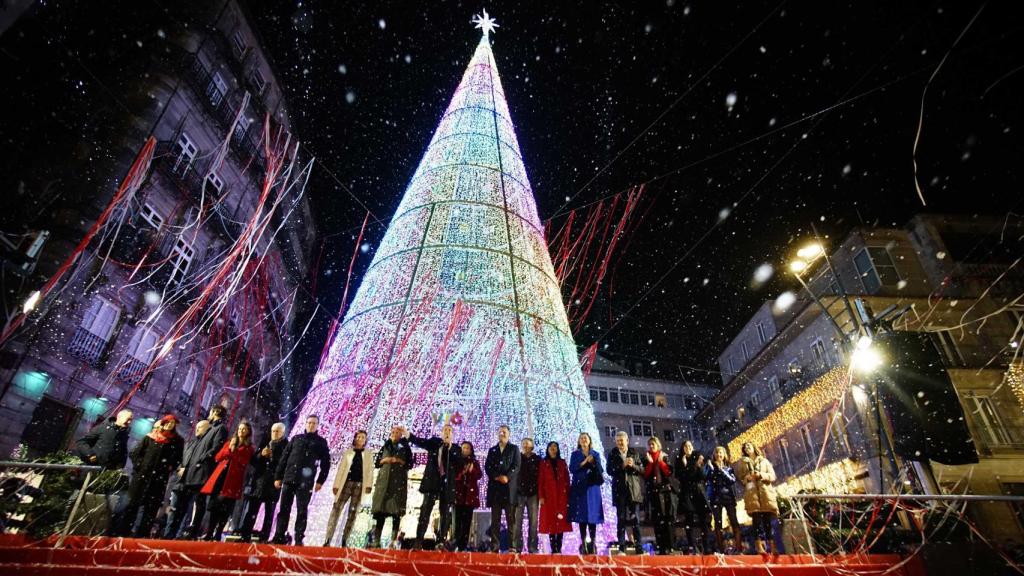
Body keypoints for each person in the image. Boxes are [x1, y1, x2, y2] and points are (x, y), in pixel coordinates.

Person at [115, 414, 184, 537]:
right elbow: (135, 453)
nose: (170, 425)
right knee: (132, 505)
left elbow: (177, 459)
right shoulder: (150, 437)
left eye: (172, 423)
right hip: (141, 477)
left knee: (151, 508)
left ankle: (142, 534)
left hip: (159, 479)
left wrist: (169, 467)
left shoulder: (177, 441)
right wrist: (140, 466)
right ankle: (124, 531)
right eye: (168, 422)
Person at [271, 415, 331, 546]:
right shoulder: (296, 439)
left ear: (317, 425)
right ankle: (279, 535)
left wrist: (320, 480)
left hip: (306, 482)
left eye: (314, 423)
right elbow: (284, 458)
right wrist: (278, 476)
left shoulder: (321, 442)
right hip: (289, 478)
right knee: (284, 509)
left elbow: (326, 463)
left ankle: (299, 538)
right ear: (305, 423)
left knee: (302, 510)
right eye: (309, 422)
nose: (311, 425)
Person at [408, 424, 461, 549]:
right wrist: (408, 435)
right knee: (425, 511)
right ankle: (419, 540)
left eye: (449, 431)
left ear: (452, 434)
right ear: (441, 433)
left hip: (447, 485)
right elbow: (420, 442)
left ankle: (441, 540)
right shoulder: (434, 443)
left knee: (445, 513)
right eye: (445, 430)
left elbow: (458, 463)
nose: (447, 433)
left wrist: (449, 448)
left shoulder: (456, 449)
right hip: (432, 482)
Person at [200, 421, 255, 540]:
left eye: (244, 429)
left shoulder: (248, 448)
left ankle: (218, 532)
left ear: (248, 432)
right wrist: (229, 449)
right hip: (221, 477)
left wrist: (233, 452)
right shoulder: (229, 443)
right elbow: (218, 457)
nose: (241, 431)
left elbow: (244, 462)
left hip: (233, 480)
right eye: (240, 429)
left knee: (226, 508)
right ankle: (209, 532)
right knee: (214, 507)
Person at [184, 405, 229, 537]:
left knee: (199, 500)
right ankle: (190, 526)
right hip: (197, 469)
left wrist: (202, 459)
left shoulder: (220, 428)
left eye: (211, 412)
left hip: (203, 470)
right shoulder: (211, 428)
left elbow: (216, 448)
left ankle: (194, 527)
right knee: (195, 500)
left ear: (215, 412)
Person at [324, 429, 374, 547]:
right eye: (359, 437)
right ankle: (328, 538)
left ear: (365, 440)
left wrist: (368, 485)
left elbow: (369, 471)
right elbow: (341, 469)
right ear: (355, 438)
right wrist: (336, 484)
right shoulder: (348, 452)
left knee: (353, 513)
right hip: (346, 483)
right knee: (336, 510)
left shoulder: (368, 454)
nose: (360, 439)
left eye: (363, 437)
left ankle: (345, 540)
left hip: (359, 485)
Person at [239, 422, 287, 543]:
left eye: (277, 431)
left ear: (282, 433)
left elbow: (284, 464)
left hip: (273, 484)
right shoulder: (265, 443)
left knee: (269, 512)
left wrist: (273, 457)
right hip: (259, 482)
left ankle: (264, 537)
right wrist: (261, 455)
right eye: (273, 431)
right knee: (252, 510)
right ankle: (245, 535)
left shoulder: (286, 446)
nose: (274, 434)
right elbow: (254, 461)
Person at [162, 419, 211, 539]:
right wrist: (180, 468)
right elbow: (181, 459)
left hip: (191, 481)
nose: (197, 429)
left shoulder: (204, 446)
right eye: (197, 427)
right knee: (174, 510)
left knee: (184, 511)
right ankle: (168, 535)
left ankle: (177, 535)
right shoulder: (190, 443)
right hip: (180, 481)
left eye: (200, 427)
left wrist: (187, 470)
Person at [370, 425, 413, 548]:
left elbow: (410, 463)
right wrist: (386, 460)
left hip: (398, 482)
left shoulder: (405, 447)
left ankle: (393, 541)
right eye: (393, 432)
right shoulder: (386, 445)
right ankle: (376, 541)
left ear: (401, 434)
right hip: (384, 483)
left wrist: (398, 461)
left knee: (395, 512)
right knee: (380, 512)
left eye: (397, 432)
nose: (395, 434)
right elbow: (377, 462)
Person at [735, 442, 778, 554]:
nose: (747, 448)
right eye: (745, 447)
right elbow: (740, 477)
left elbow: (772, 476)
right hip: (752, 494)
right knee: (756, 521)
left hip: (765, 494)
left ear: (754, 447)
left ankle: (772, 546)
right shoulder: (742, 463)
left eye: (749, 446)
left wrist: (761, 475)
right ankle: (759, 546)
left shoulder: (764, 461)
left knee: (767, 521)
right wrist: (747, 478)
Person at [606, 430, 644, 554]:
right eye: (617, 441)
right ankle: (621, 547)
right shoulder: (612, 454)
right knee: (621, 520)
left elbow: (642, 470)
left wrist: (633, 465)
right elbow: (609, 471)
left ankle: (639, 548)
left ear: (627, 441)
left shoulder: (634, 453)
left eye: (622, 440)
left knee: (636, 520)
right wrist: (622, 466)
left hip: (633, 491)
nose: (620, 443)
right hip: (619, 491)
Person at [484, 425, 520, 552]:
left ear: (509, 434)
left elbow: (516, 465)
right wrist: (497, 477)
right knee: (495, 521)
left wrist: (507, 477)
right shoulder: (492, 450)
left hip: (509, 490)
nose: (502, 434)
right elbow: (487, 467)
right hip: (496, 490)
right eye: (500, 432)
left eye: (504, 432)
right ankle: (495, 547)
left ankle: (512, 547)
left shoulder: (514, 449)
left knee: (511, 521)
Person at [568, 432, 604, 554]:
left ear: (589, 441)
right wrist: (583, 463)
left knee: (592, 515)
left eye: (585, 438)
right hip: (579, 488)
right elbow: (572, 468)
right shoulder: (575, 454)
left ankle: (593, 543)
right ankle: (583, 543)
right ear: (579, 441)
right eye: (581, 438)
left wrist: (593, 462)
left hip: (592, 487)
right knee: (582, 516)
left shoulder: (596, 454)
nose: (583, 440)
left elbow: (601, 470)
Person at [675, 440, 709, 553]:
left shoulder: (698, 457)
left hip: (698, 492)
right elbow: (681, 477)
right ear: (682, 448)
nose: (688, 447)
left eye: (690, 445)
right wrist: (685, 465)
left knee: (703, 520)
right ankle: (692, 546)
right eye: (685, 446)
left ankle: (706, 546)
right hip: (686, 493)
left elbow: (703, 476)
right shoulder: (680, 460)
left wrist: (699, 466)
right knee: (689, 520)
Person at [537, 441, 571, 554]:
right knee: (551, 522)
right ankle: (553, 547)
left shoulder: (562, 463)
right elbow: (540, 480)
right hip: (549, 497)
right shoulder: (543, 463)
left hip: (561, 496)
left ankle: (559, 547)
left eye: (555, 447)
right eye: (550, 447)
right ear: (547, 449)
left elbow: (567, 479)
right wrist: (541, 496)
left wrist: (568, 495)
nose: (553, 448)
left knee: (561, 522)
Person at [707, 446, 742, 554]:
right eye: (717, 453)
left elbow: (732, 480)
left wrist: (721, 470)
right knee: (718, 523)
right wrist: (713, 469)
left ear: (724, 455)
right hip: (716, 497)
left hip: (728, 497)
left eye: (721, 453)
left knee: (734, 521)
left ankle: (739, 547)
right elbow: (709, 479)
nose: (719, 455)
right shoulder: (711, 467)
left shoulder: (728, 468)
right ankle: (721, 549)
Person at [643, 436, 674, 555]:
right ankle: (661, 547)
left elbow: (669, 473)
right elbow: (645, 475)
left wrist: (660, 462)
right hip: (653, 492)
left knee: (667, 519)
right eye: (649, 444)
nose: (651, 446)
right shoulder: (646, 458)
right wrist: (650, 463)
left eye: (653, 444)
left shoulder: (664, 456)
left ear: (658, 445)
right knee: (657, 521)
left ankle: (670, 546)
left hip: (665, 492)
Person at [452, 441, 482, 551]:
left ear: (471, 450)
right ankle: (456, 541)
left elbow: (479, 475)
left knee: (467, 521)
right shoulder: (457, 461)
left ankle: (463, 544)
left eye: (467, 448)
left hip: (469, 496)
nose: (465, 450)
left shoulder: (474, 462)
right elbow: (454, 475)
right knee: (457, 520)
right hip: (459, 495)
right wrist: (462, 473)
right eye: (463, 448)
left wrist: (472, 470)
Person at [513, 437, 540, 554]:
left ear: (531, 447)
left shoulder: (537, 459)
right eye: (523, 444)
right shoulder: (517, 457)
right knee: (517, 522)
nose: (525, 446)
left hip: (533, 494)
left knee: (533, 522)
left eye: (527, 444)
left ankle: (532, 547)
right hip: (519, 493)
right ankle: (517, 547)